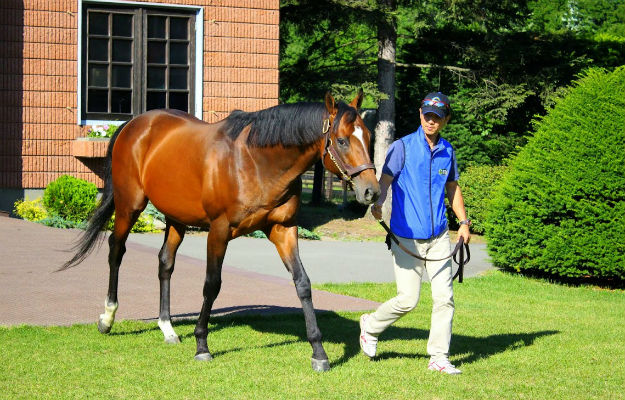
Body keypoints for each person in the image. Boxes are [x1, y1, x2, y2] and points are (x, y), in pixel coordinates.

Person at [361, 91, 471, 375]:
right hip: (406, 237)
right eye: (426, 115)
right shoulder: (402, 147)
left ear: (445, 120)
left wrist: (464, 222)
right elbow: (385, 181)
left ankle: (438, 356)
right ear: (420, 115)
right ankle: (369, 327)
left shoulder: (448, 151)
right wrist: (378, 203)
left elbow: (452, 188)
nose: (430, 120)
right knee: (408, 300)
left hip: (438, 238)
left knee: (444, 298)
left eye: (436, 116)